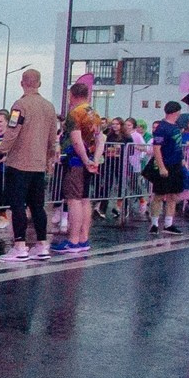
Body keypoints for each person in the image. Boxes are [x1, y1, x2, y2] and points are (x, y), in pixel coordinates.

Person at [0, 70, 56, 260]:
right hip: (39, 164)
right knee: (38, 206)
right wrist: (49, 159)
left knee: (17, 205)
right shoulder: (49, 107)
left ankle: (20, 246)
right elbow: (52, 137)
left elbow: (13, 130)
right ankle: (41, 245)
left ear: (22, 82)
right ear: (39, 83)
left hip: (20, 163)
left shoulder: (20, 105)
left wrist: (1, 149)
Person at [57, 79, 105, 255]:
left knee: (74, 200)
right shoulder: (95, 113)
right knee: (85, 199)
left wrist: (85, 159)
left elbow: (76, 139)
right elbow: (101, 139)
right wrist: (95, 159)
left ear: (72, 95)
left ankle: (73, 240)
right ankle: (84, 238)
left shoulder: (75, 114)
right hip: (91, 160)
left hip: (76, 161)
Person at [145, 101, 188, 234]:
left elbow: (178, 145)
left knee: (173, 195)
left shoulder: (176, 126)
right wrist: (162, 167)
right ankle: (154, 224)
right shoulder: (162, 128)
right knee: (159, 195)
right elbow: (156, 148)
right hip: (165, 164)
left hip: (176, 164)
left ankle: (168, 224)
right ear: (176, 112)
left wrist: (181, 159)